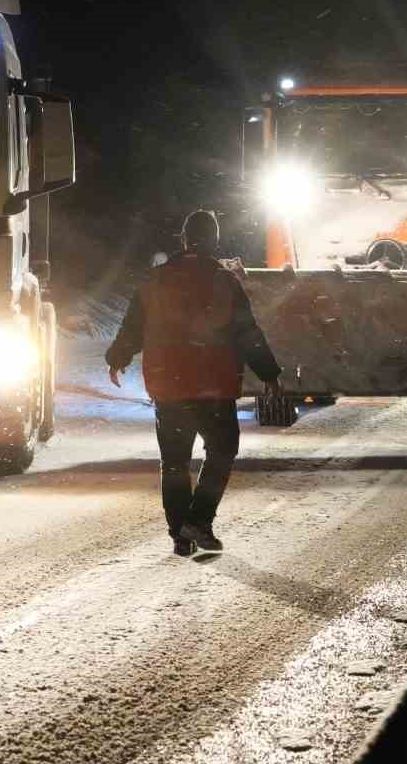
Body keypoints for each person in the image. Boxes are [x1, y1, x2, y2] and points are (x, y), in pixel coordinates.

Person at [106, 209, 283, 556]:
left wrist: (117, 358)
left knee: (174, 462)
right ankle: (198, 520)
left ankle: (180, 534)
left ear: (184, 240)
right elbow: (248, 334)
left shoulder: (155, 282)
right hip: (213, 385)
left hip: (168, 386)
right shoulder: (224, 282)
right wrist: (270, 374)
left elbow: (133, 328)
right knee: (222, 451)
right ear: (214, 241)